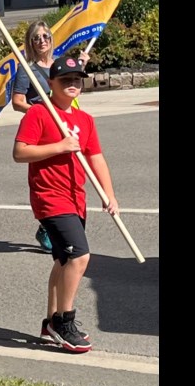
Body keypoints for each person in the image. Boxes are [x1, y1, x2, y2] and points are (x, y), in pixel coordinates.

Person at [13, 56, 117, 353]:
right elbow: (20, 152)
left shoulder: (84, 120)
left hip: (76, 199)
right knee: (80, 257)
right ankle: (64, 321)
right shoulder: (39, 114)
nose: (72, 84)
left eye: (77, 79)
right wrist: (60, 146)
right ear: (51, 83)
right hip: (50, 197)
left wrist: (108, 194)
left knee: (62, 261)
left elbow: (96, 157)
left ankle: (49, 323)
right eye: (65, 79)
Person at [12, 21, 90, 253]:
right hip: (45, 129)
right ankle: (49, 223)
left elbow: (72, 78)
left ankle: (58, 224)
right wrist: (42, 113)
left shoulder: (58, 64)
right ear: (31, 42)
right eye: (36, 38)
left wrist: (81, 63)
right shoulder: (28, 70)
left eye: (45, 36)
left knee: (70, 173)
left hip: (68, 125)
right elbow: (17, 102)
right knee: (49, 177)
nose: (42, 41)